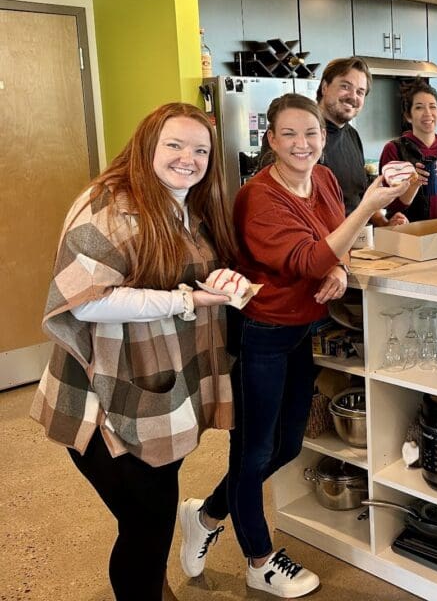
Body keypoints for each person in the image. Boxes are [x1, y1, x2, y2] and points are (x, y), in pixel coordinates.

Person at [178, 94, 406, 598]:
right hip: (262, 332)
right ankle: (259, 561)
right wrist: (368, 206)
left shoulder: (323, 179)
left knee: (287, 444)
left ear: (324, 139)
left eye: (311, 134)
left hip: (304, 328)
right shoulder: (256, 198)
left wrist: (341, 269)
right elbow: (305, 260)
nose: (302, 144)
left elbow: (330, 244)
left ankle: (207, 513)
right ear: (271, 141)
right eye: (290, 135)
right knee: (253, 451)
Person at [30, 103, 238, 601]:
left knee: (151, 515)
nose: (188, 158)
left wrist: (214, 280)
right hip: (104, 397)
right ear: (147, 145)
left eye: (200, 150)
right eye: (175, 145)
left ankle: (154, 585)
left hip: (156, 389)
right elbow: (84, 302)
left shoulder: (186, 202)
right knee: (146, 524)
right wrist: (187, 298)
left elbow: (172, 268)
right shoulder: (108, 204)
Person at [317, 55, 407, 228]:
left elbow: (359, 198)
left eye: (360, 92)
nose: (353, 96)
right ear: (324, 87)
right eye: (345, 86)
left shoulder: (352, 135)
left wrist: (384, 223)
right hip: (321, 245)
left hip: (357, 243)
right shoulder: (304, 135)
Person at [379, 78, 437, 221]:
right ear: (408, 116)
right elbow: (390, 204)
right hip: (411, 232)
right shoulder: (394, 149)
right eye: (419, 107)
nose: (428, 113)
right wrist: (413, 185)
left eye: (432, 106)